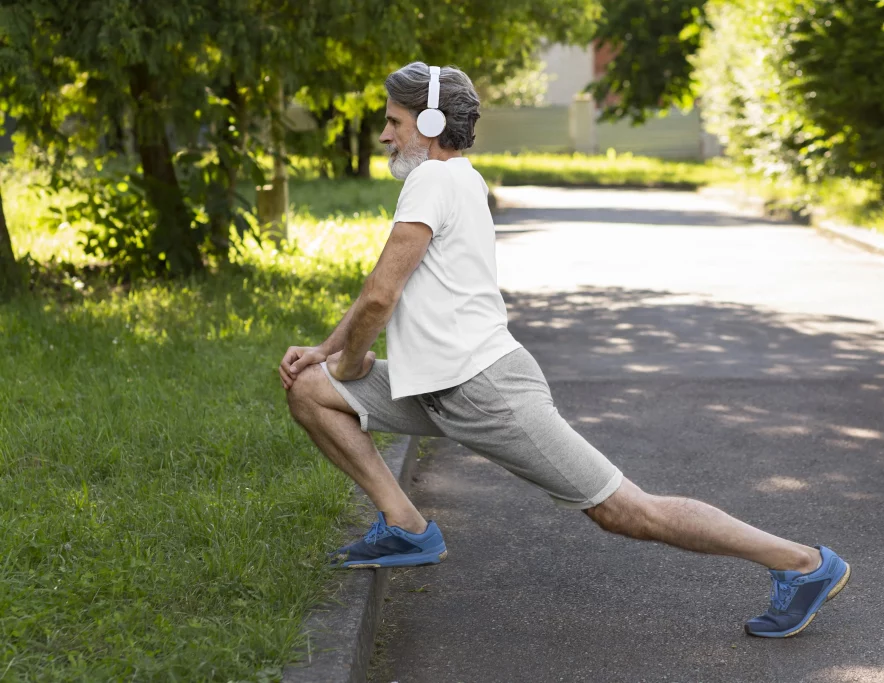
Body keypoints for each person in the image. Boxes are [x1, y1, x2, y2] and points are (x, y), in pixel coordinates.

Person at [279, 62, 850, 639]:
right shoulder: (460, 179)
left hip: (485, 391)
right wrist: (327, 351)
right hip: (437, 384)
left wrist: (349, 364)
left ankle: (804, 564)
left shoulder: (431, 179)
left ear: (428, 123)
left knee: (627, 512)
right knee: (308, 386)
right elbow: (384, 283)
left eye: (393, 122)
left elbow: (381, 296)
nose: (384, 135)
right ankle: (406, 527)